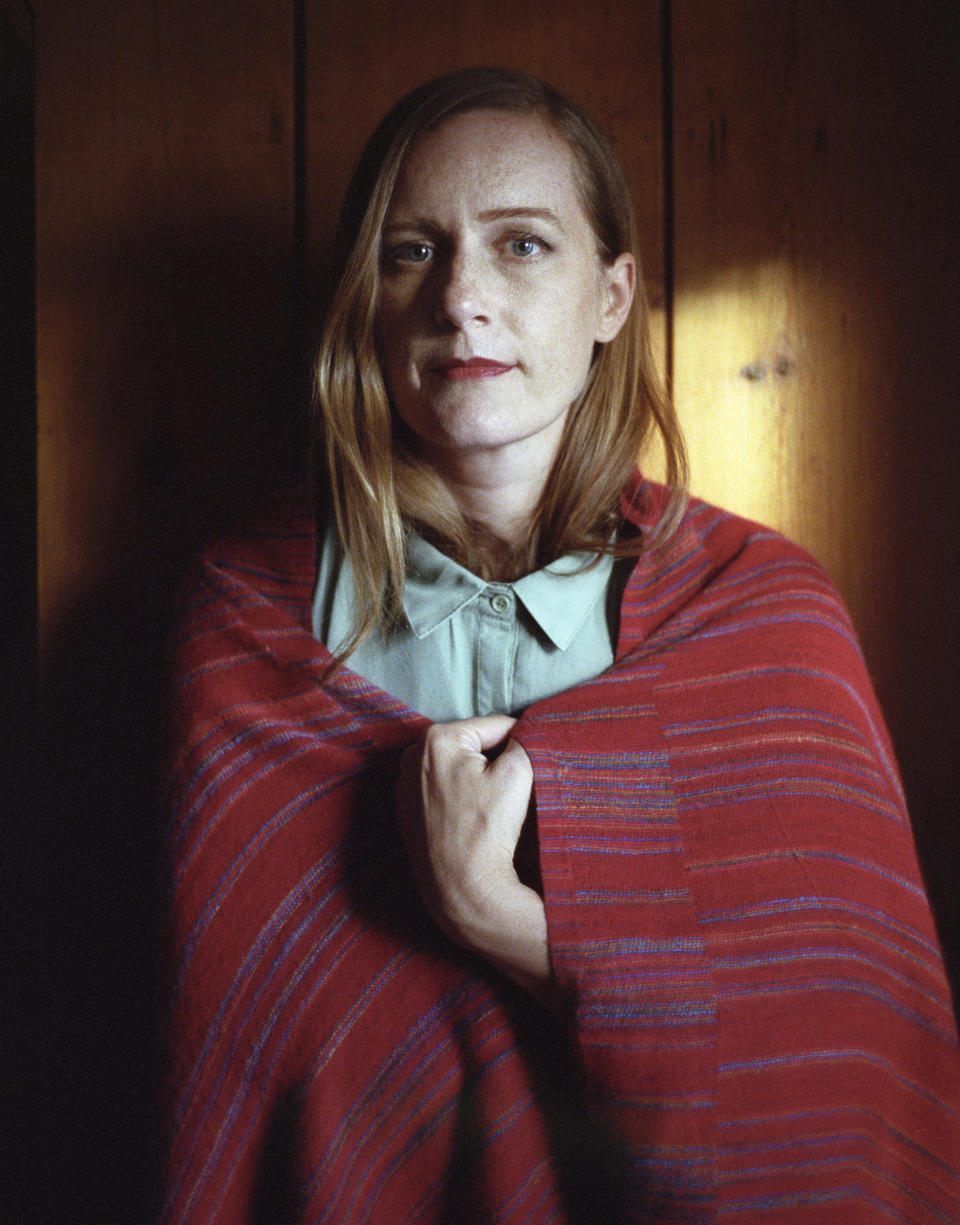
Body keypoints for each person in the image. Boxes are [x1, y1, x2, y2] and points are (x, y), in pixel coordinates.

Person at [160, 69, 960, 1223]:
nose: (461, 299)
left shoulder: (762, 611)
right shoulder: (247, 614)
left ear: (611, 294)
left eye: (524, 245)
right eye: (411, 252)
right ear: (366, 301)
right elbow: (239, 1073)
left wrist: (502, 922)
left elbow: (829, 1073)